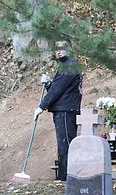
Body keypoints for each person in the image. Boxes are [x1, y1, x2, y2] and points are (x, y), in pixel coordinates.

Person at [33, 40, 82, 181]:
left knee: (66, 145)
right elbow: (58, 89)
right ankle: (64, 177)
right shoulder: (66, 66)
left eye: (62, 49)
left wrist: (41, 107)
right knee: (64, 145)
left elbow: (57, 90)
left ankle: (66, 179)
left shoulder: (69, 66)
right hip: (65, 109)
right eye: (56, 49)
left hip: (66, 111)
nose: (58, 51)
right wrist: (49, 83)